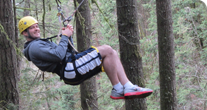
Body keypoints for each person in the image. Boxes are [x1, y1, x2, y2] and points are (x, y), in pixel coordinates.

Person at [19, 16, 153, 100]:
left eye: (37, 26)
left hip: (70, 68)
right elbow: (59, 55)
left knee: (110, 56)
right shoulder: (34, 47)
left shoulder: (38, 44)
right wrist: (64, 36)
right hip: (69, 69)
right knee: (107, 50)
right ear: (25, 33)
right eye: (32, 28)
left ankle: (119, 89)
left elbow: (66, 51)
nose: (37, 29)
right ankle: (126, 87)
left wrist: (68, 36)